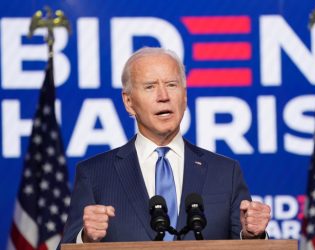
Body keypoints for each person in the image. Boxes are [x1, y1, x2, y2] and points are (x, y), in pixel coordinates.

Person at [58, 47, 270, 247]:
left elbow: (247, 244)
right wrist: (86, 239)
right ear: (129, 102)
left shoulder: (225, 172)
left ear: (184, 96)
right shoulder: (95, 174)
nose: (163, 96)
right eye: (150, 86)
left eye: (171, 85)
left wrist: (253, 234)